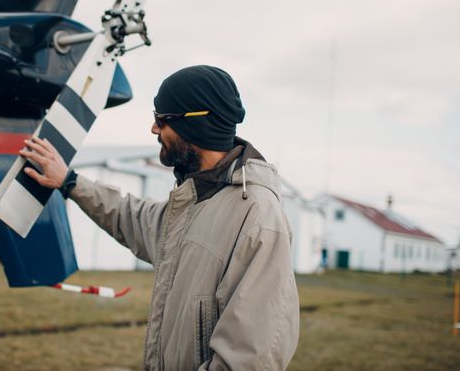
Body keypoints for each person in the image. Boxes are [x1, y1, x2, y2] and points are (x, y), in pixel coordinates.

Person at [21, 65, 299, 370]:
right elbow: (129, 216)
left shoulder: (257, 216)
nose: (154, 130)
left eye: (160, 119)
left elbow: (249, 360)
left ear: (196, 125)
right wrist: (69, 181)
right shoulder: (192, 203)